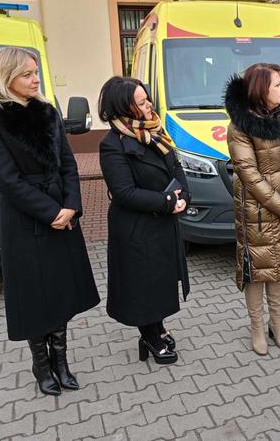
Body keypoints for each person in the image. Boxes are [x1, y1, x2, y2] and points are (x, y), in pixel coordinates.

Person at [0, 47, 99, 396]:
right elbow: (6, 179)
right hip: (26, 220)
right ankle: (41, 365)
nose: (36, 78)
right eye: (27, 73)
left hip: (63, 214)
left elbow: (68, 164)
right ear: (5, 76)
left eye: (35, 72)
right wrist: (50, 212)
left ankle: (62, 360)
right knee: (34, 295)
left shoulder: (47, 112)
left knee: (60, 291)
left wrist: (71, 205)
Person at [98, 76, 190, 365]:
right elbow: (124, 192)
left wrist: (184, 195)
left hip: (162, 222)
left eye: (147, 98)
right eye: (141, 102)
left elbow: (176, 167)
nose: (149, 105)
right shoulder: (112, 144)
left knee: (161, 279)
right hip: (136, 226)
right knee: (143, 283)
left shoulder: (156, 133)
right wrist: (167, 202)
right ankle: (149, 336)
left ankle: (158, 327)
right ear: (124, 107)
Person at [225, 63, 280, 355]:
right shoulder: (240, 126)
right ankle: (257, 329)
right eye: (277, 84)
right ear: (261, 89)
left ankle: (279, 326)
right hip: (258, 215)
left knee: (279, 269)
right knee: (257, 270)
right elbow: (249, 174)